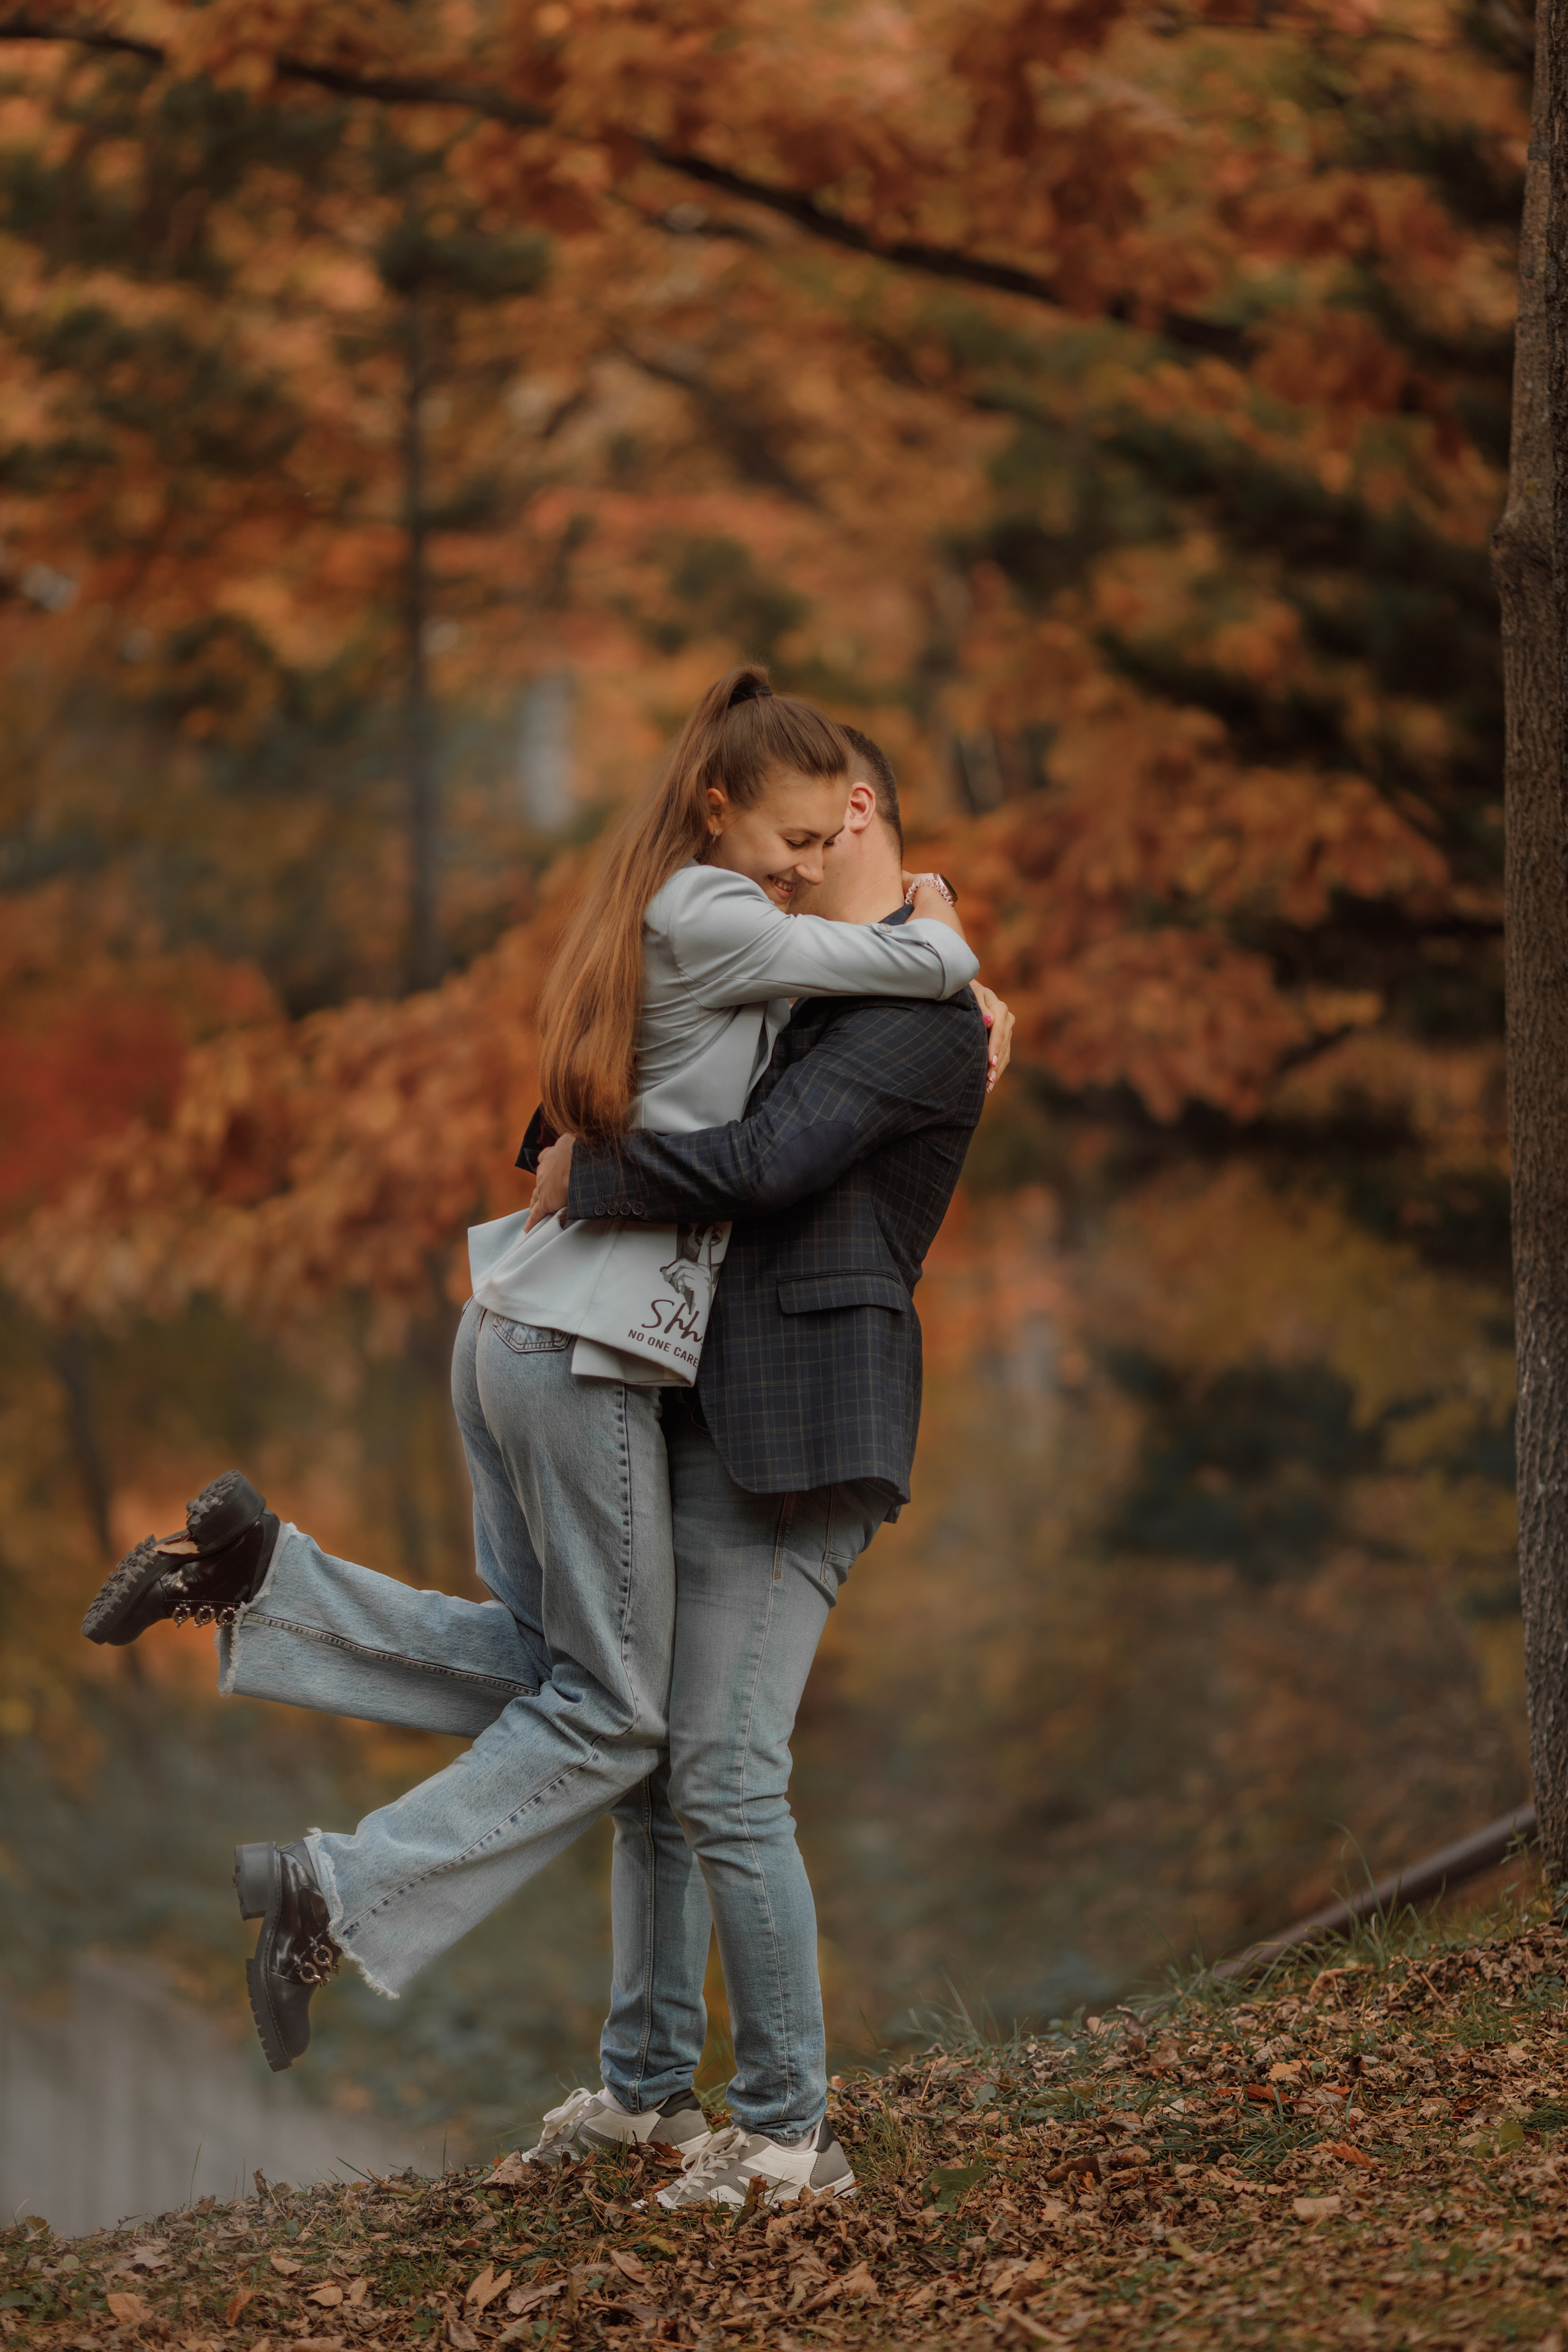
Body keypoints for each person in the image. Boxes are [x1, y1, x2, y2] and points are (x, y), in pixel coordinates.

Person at [78, 677, 987, 2150]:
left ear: (853, 813)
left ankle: (760, 2123)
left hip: (754, 1408)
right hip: (602, 1363)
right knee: (621, 1728)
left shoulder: (892, 1001)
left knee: (646, 1734)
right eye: (775, 836)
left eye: (802, 838)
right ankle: (637, 2085)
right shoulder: (773, 939)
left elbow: (767, 1157)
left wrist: (949, 955)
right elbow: (619, 1116)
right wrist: (932, 952)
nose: (785, 861)